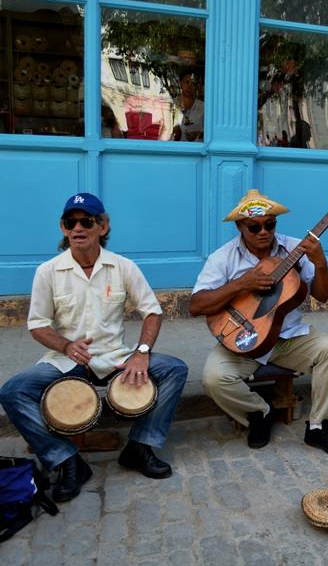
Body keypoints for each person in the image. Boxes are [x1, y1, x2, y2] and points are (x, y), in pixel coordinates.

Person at [0, 193, 188, 503]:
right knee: (12, 391)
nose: (78, 228)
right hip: (66, 361)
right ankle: (66, 461)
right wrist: (65, 345)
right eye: (70, 222)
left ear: (103, 226)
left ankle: (139, 447)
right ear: (63, 228)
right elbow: (37, 324)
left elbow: (153, 311)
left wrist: (141, 352)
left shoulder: (123, 267)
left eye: (86, 221)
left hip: (115, 358)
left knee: (174, 369)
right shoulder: (48, 271)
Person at [189, 189, 328, 456]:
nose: (263, 232)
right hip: (242, 340)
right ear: (240, 227)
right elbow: (196, 306)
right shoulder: (223, 257)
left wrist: (321, 264)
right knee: (213, 378)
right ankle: (259, 413)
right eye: (254, 227)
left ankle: (320, 426)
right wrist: (240, 284)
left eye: (270, 224)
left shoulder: (297, 249)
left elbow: (322, 296)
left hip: (288, 338)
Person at [171, 71, 204, 142]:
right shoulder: (171, 104)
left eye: (193, 84)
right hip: (174, 147)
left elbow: (211, 131)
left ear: (196, 87)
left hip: (195, 147)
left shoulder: (203, 107)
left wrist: (198, 134)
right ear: (181, 84)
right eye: (187, 82)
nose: (189, 86)